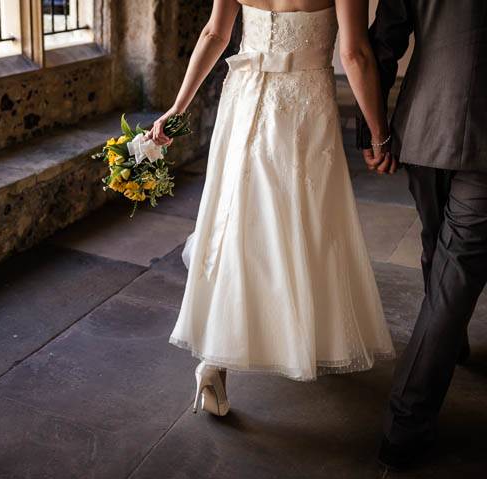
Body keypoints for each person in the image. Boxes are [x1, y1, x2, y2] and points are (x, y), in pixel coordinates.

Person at [147, 0, 396, 419]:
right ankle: (303, 332)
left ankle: (215, 360)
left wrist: (178, 106)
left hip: (243, 101)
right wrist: (378, 132)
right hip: (303, 107)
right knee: (308, 220)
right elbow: (354, 53)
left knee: (236, 216)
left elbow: (215, 35)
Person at [356, 0, 487, 471]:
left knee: (442, 249)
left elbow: (386, 37)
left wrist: (370, 130)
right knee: (455, 269)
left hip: (424, 125)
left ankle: (450, 342)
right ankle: (405, 424)